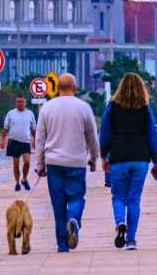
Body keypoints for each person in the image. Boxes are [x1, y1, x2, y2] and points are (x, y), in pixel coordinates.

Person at [35, 73, 100, 252]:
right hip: (77, 162)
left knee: (58, 205)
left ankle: (62, 245)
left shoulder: (47, 108)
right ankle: (73, 219)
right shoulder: (84, 107)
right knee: (77, 197)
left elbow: (39, 139)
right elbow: (92, 137)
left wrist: (40, 165)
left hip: (54, 163)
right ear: (75, 88)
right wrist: (93, 158)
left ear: (57, 88)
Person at [100, 72, 157, 251]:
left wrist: (104, 155)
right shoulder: (145, 108)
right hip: (140, 158)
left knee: (118, 196)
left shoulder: (112, 108)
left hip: (118, 157)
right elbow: (152, 135)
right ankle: (131, 240)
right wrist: (156, 161)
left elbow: (105, 134)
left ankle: (120, 222)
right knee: (134, 199)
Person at [2, 95, 36, 191]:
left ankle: (24, 179)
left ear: (25, 103)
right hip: (14, 141)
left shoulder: (30, 114)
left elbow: (33, 129)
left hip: (25, 142)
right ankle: (17, 183)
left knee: (27, 162)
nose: (20, 104)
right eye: (18, 102)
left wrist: (35, 140)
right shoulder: (10, 113)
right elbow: (6, 128)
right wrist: (3, 140)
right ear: (15, 103)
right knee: (16, 164)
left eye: (22, 102)